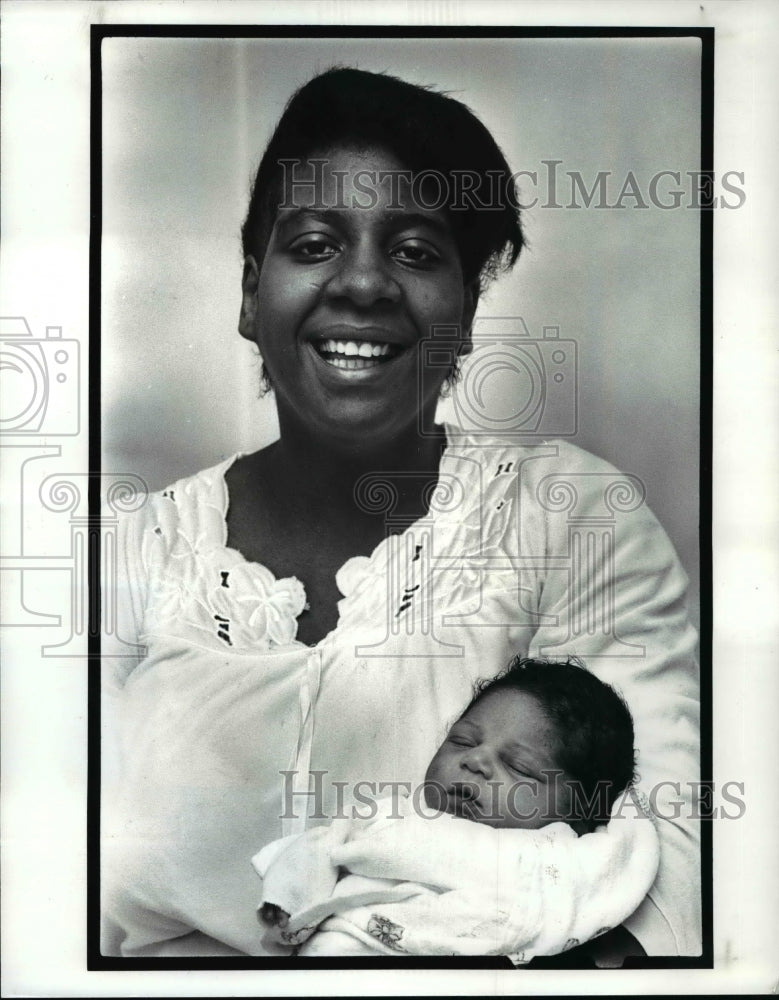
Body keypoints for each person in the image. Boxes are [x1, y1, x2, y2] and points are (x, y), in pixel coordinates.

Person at [101, 67, 700, 961]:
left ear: (462, 314)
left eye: (417, 252)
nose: (365, 284)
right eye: (314, 244)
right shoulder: (128, 552)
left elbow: (671, 862)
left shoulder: (569, 517)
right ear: (248, 291)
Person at [254, 657, 661, 961]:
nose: (475, 760)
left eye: (519, 767)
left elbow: (619, 862)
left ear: (580, 813)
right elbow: (320, 846)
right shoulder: (391, 816)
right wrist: (286, 899)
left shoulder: (561, 853)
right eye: (463, 741)